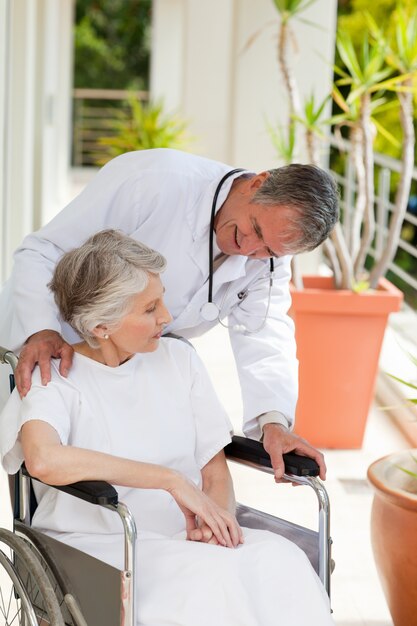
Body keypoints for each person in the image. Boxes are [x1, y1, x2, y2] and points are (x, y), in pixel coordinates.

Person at [0, 230, 334, 626]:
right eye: (149, 308)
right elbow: (42, 459)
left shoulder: (179, 360)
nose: (168, 317)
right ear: (101, 325)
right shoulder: (54, 377)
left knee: (282, 564)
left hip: (187, 537)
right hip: (104, 544)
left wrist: (217, 523)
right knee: (211, 587)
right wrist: (168, 479)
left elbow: (213, 471)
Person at [0, 148, 339, 480]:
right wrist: (41, 330)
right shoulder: (157, 180)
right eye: (256, 230)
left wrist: (273, 422)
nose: (249, 250)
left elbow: (264, 334)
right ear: (258, 183)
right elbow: (43, 250)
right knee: (40, 468)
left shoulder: (271, 255)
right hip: (54, 348)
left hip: (130, 367)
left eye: (267, 251)